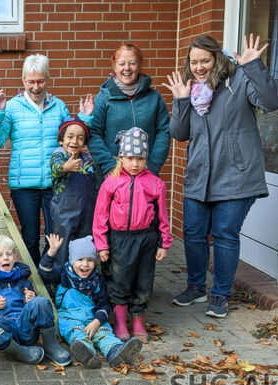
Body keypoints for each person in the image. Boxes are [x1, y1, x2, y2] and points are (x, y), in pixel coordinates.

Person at [163, 34, 278, 318]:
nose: (199, 67)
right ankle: (196, 288)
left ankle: (220, 294)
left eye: (204, 60)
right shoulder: (192, 89)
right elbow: (179, 134)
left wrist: (253, 66)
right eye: (194, 62)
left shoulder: (239, 80)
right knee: (193, 233)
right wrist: (181, 101)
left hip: (236, 175)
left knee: (224, 234)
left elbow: (274, 102)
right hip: (200, 174)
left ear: (216, 58)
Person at [0, 53, 94, 267]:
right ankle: (33, 279)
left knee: (56, 236)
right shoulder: (12, 107)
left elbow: (72, 137)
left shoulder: (58, 106)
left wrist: (85, 117)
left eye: (40, 81)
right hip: (24, 185)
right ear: (23, 80)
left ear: (48, 79)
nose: (35, 87)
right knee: (30, 237)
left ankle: (51, 275)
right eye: (31, 81)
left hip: (57, 182)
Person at [92, 127, 172, 342]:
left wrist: (164, 243)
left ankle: (138, 322)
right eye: (130, 158)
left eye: (140, 159)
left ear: (146, 159)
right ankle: (120, 322)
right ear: (121, 158)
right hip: (119, 240)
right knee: (120, 280)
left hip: (146, 239)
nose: (135, 164)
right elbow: (100, 215)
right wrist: (102, 245)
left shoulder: (155, 183)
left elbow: (163, 216)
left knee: (143, 281)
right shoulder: (111, 182)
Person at [0, 234, 71, 366]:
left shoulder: (23, 281)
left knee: (40, 302)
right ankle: (20, 352)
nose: (5, 258)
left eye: (8, 254)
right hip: (7, 334)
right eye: (0, 255)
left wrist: (30, 299)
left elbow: (36, 309)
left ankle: (51, 346)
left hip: (26, 328)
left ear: (15, 258)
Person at [54, 236, 142, 369]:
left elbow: (104, 304)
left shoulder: (97, 280)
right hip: (70, 318)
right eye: (80, 260)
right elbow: (44, 273)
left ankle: (116, 351)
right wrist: (51, 253)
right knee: (77, 334)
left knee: (104, 334)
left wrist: (97, 321)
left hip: (92, 318)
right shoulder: (63, 275)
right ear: (71, 261)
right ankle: (87, 354)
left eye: (90, 260)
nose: (85, 264)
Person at [88, 43, 171, 184]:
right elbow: (93, 132)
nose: (127, 68)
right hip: (112, 176)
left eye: (132, 63)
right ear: (114, 66)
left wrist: (152, 166)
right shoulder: (104, 98)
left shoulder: (154, 97)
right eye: (122, 64)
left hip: (146, 175)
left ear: (139, 65)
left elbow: (164, 132)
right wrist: (108, 165)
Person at [38, 118, 97, 287]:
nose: (74, 141)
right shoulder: (59, 155)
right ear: (61, 140)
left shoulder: (87, 159)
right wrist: (66, 167)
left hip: (87, 212)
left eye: (80, 138)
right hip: (64, 212)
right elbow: (56, 167)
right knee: (62, 246)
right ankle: (59, 283)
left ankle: (81, 282)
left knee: (84, 244)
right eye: (70, 137)